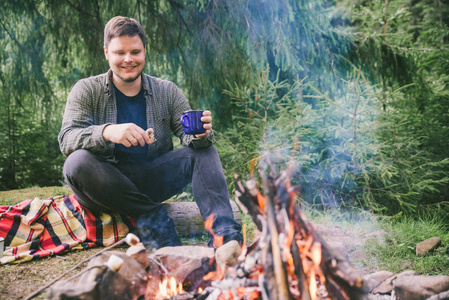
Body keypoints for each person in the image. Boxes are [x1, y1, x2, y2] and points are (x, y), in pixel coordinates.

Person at [58, 16, 243, 248]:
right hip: (104, 187)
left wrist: (200, 135)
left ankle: (225, 237)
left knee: (204, 152)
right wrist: (107, 132)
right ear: (107, 53)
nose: (128, 59)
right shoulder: (86, 89)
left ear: (145, 51)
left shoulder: (167, 91)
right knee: (76, 162)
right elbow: (67, 139)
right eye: (119, 53)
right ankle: (156, 221)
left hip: (150, 179)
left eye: (135, 52)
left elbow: (189, 136)